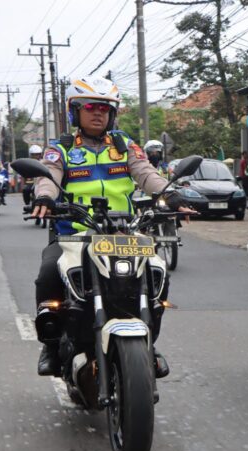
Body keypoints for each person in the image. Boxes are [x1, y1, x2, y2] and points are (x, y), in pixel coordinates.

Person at [31, 75, 194, 377]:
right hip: (75, 233)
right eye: (91, 107)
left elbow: (147, 174)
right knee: (47, 274)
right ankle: (51, 346)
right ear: (75, 111)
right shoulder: (61, 148)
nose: (98, 113)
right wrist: (45, 197)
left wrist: (170, 194)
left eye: (104, 109)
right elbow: (48, 176)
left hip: (124, 233)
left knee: (157, 273)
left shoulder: (125, 145)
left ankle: (147, 341)